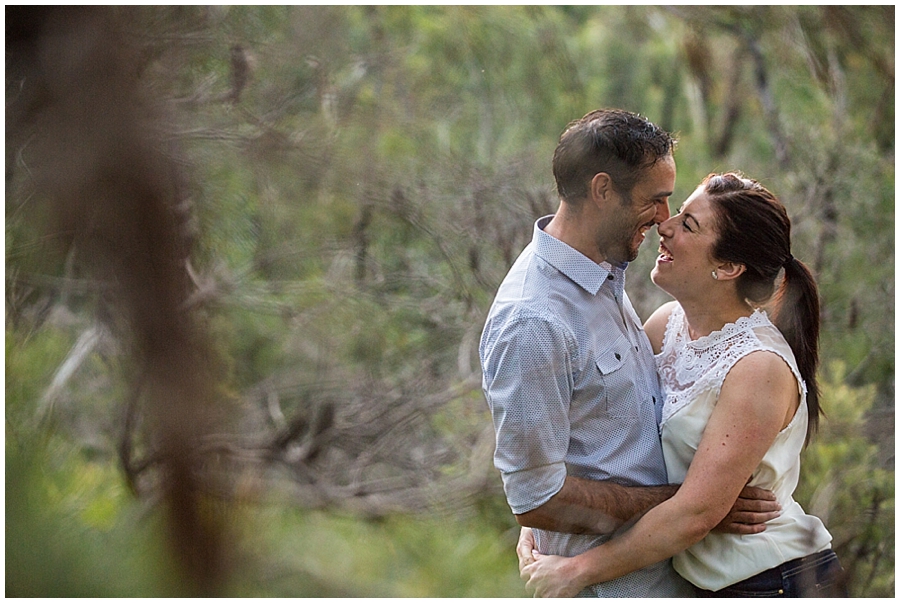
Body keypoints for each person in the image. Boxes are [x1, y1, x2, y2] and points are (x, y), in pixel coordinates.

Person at [479, 109, 780, 598]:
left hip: (672, 579)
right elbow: (537, 499)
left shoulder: (603, 275)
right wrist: (689, 505)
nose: (665, 219)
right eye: (655, 200)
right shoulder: (533, 320)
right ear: (602, 190)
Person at [518, 172, 846, 597]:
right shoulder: (665, 325)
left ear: (727, 267)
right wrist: (544, 522)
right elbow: (601, 432)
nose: (664, 225)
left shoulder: (758, 367)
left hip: (774, 581)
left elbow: (695, 513)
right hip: (703, 583)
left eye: (688, 224)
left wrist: (576, 570)